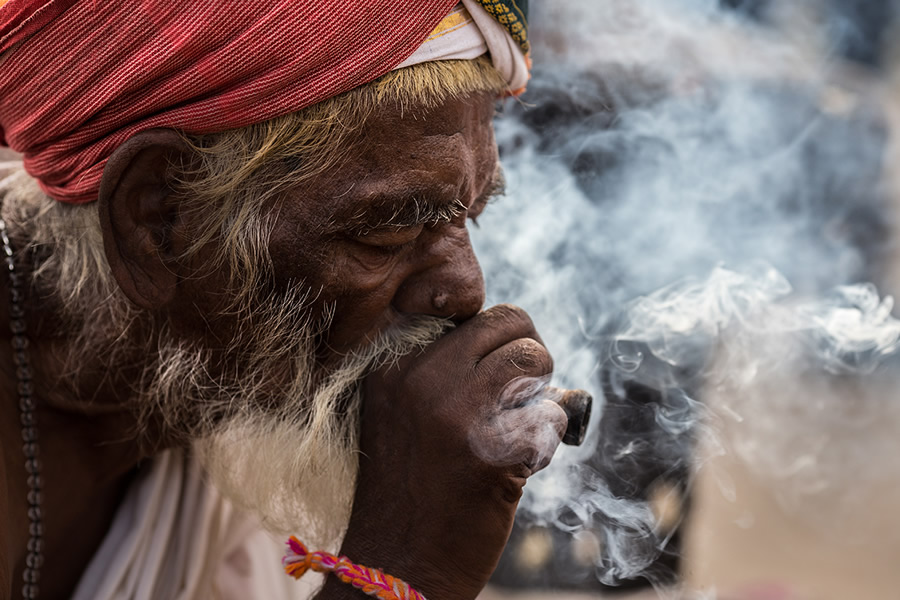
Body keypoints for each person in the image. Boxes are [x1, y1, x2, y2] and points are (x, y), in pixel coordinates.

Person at [0, 1, 570, 599]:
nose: (466, 292)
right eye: (387, 235)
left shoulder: (229, 394)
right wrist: (404, 564)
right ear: (158, 217)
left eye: (468, 218)